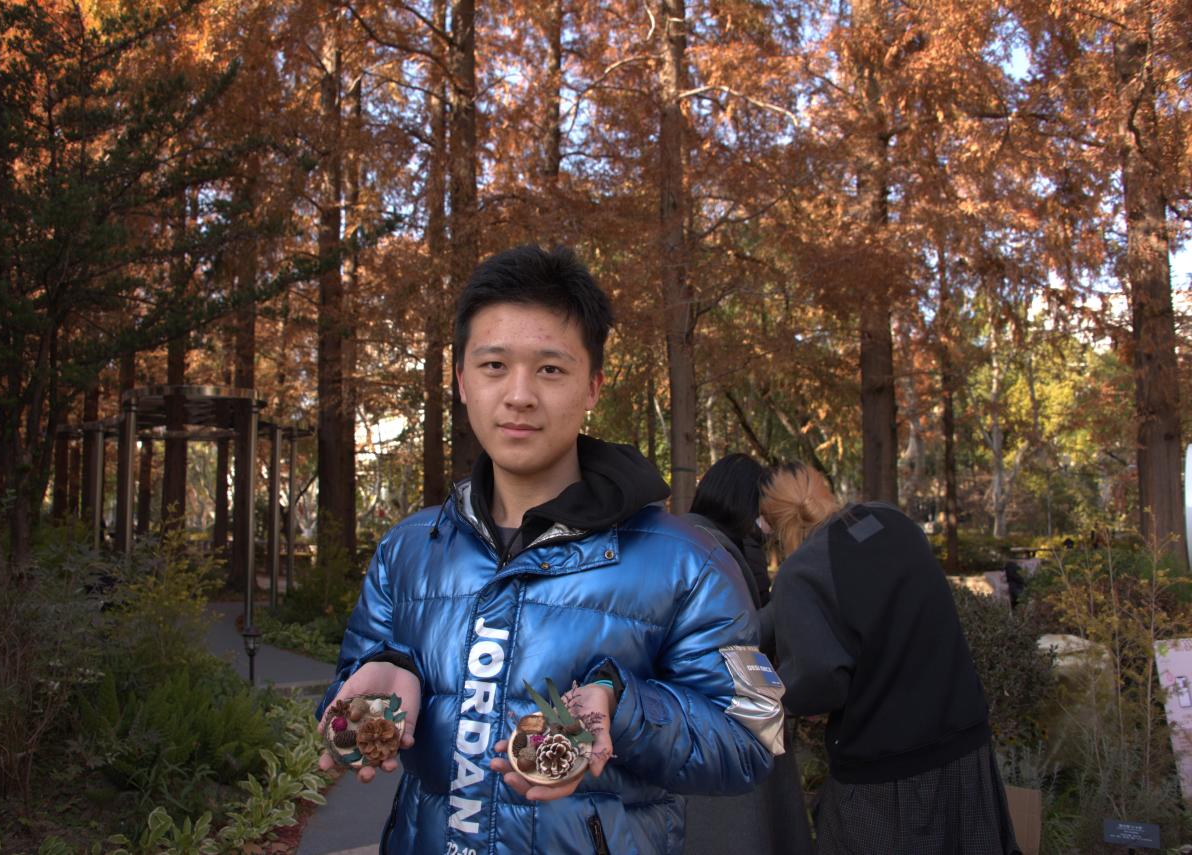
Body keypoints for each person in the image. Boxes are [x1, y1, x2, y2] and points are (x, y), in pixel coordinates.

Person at [316, 245, 779, 855]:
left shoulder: (687, 563)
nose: (519, 395)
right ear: (461, 381)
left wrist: (622, 709)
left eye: (551, 370)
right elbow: (351, 689)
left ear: (593, 386)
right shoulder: (408, 550)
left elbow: (751, 736)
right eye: (494, 365)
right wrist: (378, 678)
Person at [759, 463, 1021, 855]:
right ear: (824, 489)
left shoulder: (801, 572)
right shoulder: (893, 521)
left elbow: (818, 680)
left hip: (885, 771)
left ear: (774, 526)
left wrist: (779, 693)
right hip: (964, 741)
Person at [683, 454, 814, 855]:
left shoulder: (693, 538)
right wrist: (784, 604)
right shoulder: (712, 552)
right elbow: (731, 638)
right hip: (723, 721)